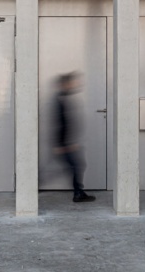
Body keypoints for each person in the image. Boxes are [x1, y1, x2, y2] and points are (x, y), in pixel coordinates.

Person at [54, 71, 95, 202]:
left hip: (66, 143)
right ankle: (78, 193)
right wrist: (62, 144)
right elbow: (60, 123)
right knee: (76, 166)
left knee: (75, 166)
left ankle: (78, 192)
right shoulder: (60, 99)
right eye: (71, 82)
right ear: (65, 84)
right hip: (64, 144)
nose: (74, 84)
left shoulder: (64, 97)